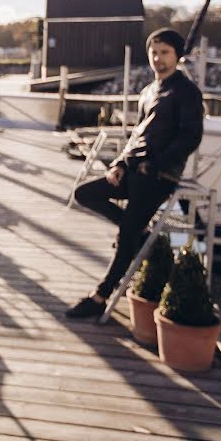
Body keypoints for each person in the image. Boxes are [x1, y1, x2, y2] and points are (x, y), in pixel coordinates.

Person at [66, 28, 204, 319]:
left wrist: (158, 164)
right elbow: (137, 136)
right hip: (134, 170)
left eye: (165, 52)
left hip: (158, 176)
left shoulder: (186, 92)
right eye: (154, 52)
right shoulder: (148, 91)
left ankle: (100, 295)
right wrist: (118, 164)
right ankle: (137, 231)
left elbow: (190, 137)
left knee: (126, 234)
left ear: (177, 56)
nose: (158, 58)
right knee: (85, 194)